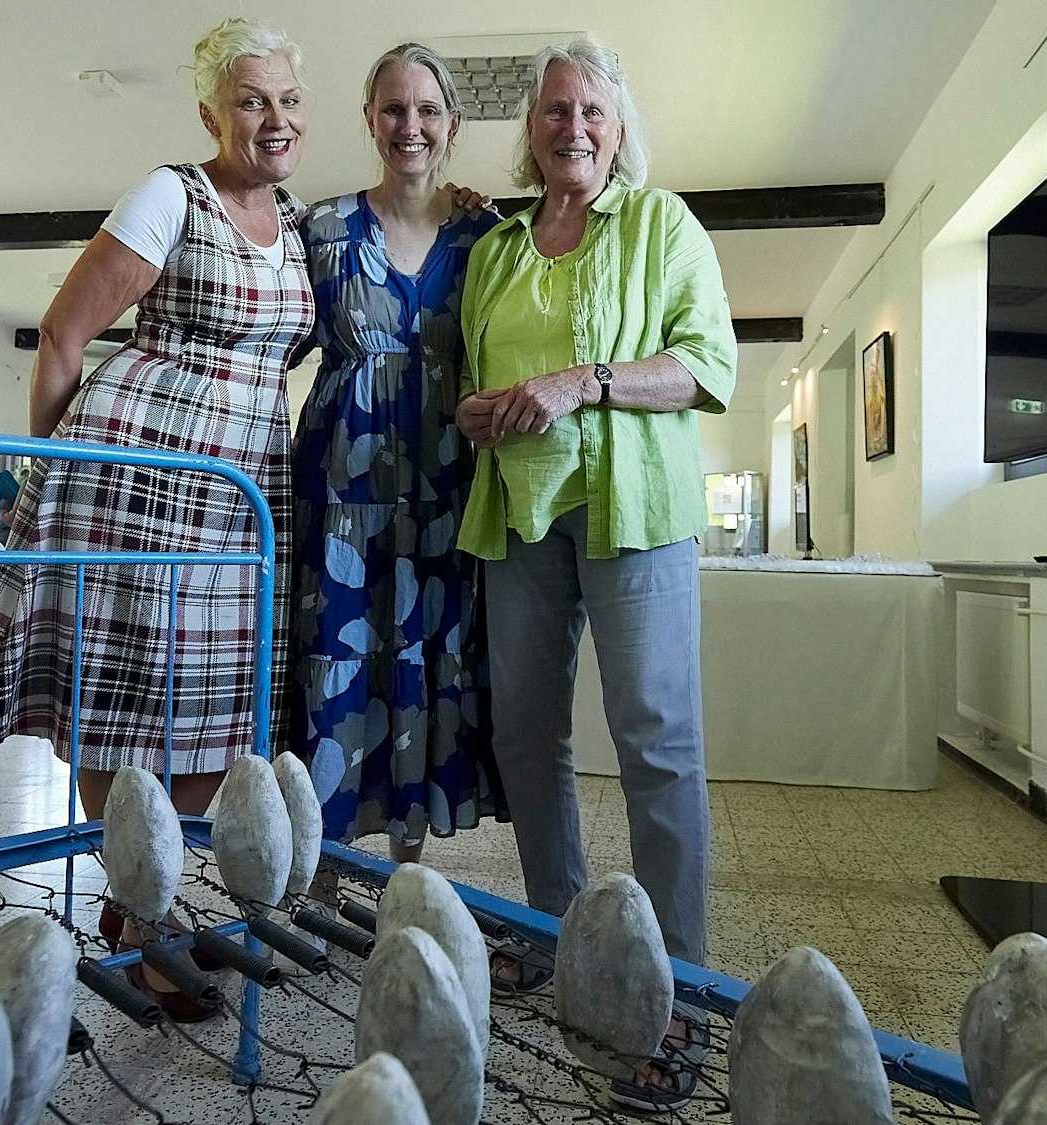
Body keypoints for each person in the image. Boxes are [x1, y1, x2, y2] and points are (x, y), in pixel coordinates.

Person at [0, 16, 313, 1023]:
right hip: (136, 477)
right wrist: (47, 481)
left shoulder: (297, 222)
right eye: (250, 100)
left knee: (215, 715)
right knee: (121, 706)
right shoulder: (173, 193)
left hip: (245, 488)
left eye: (287, 99)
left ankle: (139, 902)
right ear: (212, 113)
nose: (273, 118)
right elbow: (66, 336)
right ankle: (149, 921)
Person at [454, 39, 737, 1110]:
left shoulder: (661, 224)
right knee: (527, 735)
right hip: (519, 512)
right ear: (531, 131)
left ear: (617, 130)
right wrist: (478, 411)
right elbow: (472, 388)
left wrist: (587, 380)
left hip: (636, 512)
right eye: (554, 111)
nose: (572, 127)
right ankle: (558, 932)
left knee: (655, 743)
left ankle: (682, 996)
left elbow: (705, 364)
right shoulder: (497, 248)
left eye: (591, 112)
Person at [289, 43, 506, 869]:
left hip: (446, 491)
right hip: (340, 495)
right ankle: (314, 871)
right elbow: (276, 343)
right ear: (370, 120)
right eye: (392, 109)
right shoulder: (325, 229)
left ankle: (408, 868)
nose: (408, 125)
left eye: (425, 110)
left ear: (451, 123)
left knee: (426, 656)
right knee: (337, 660)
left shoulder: (489, 236)